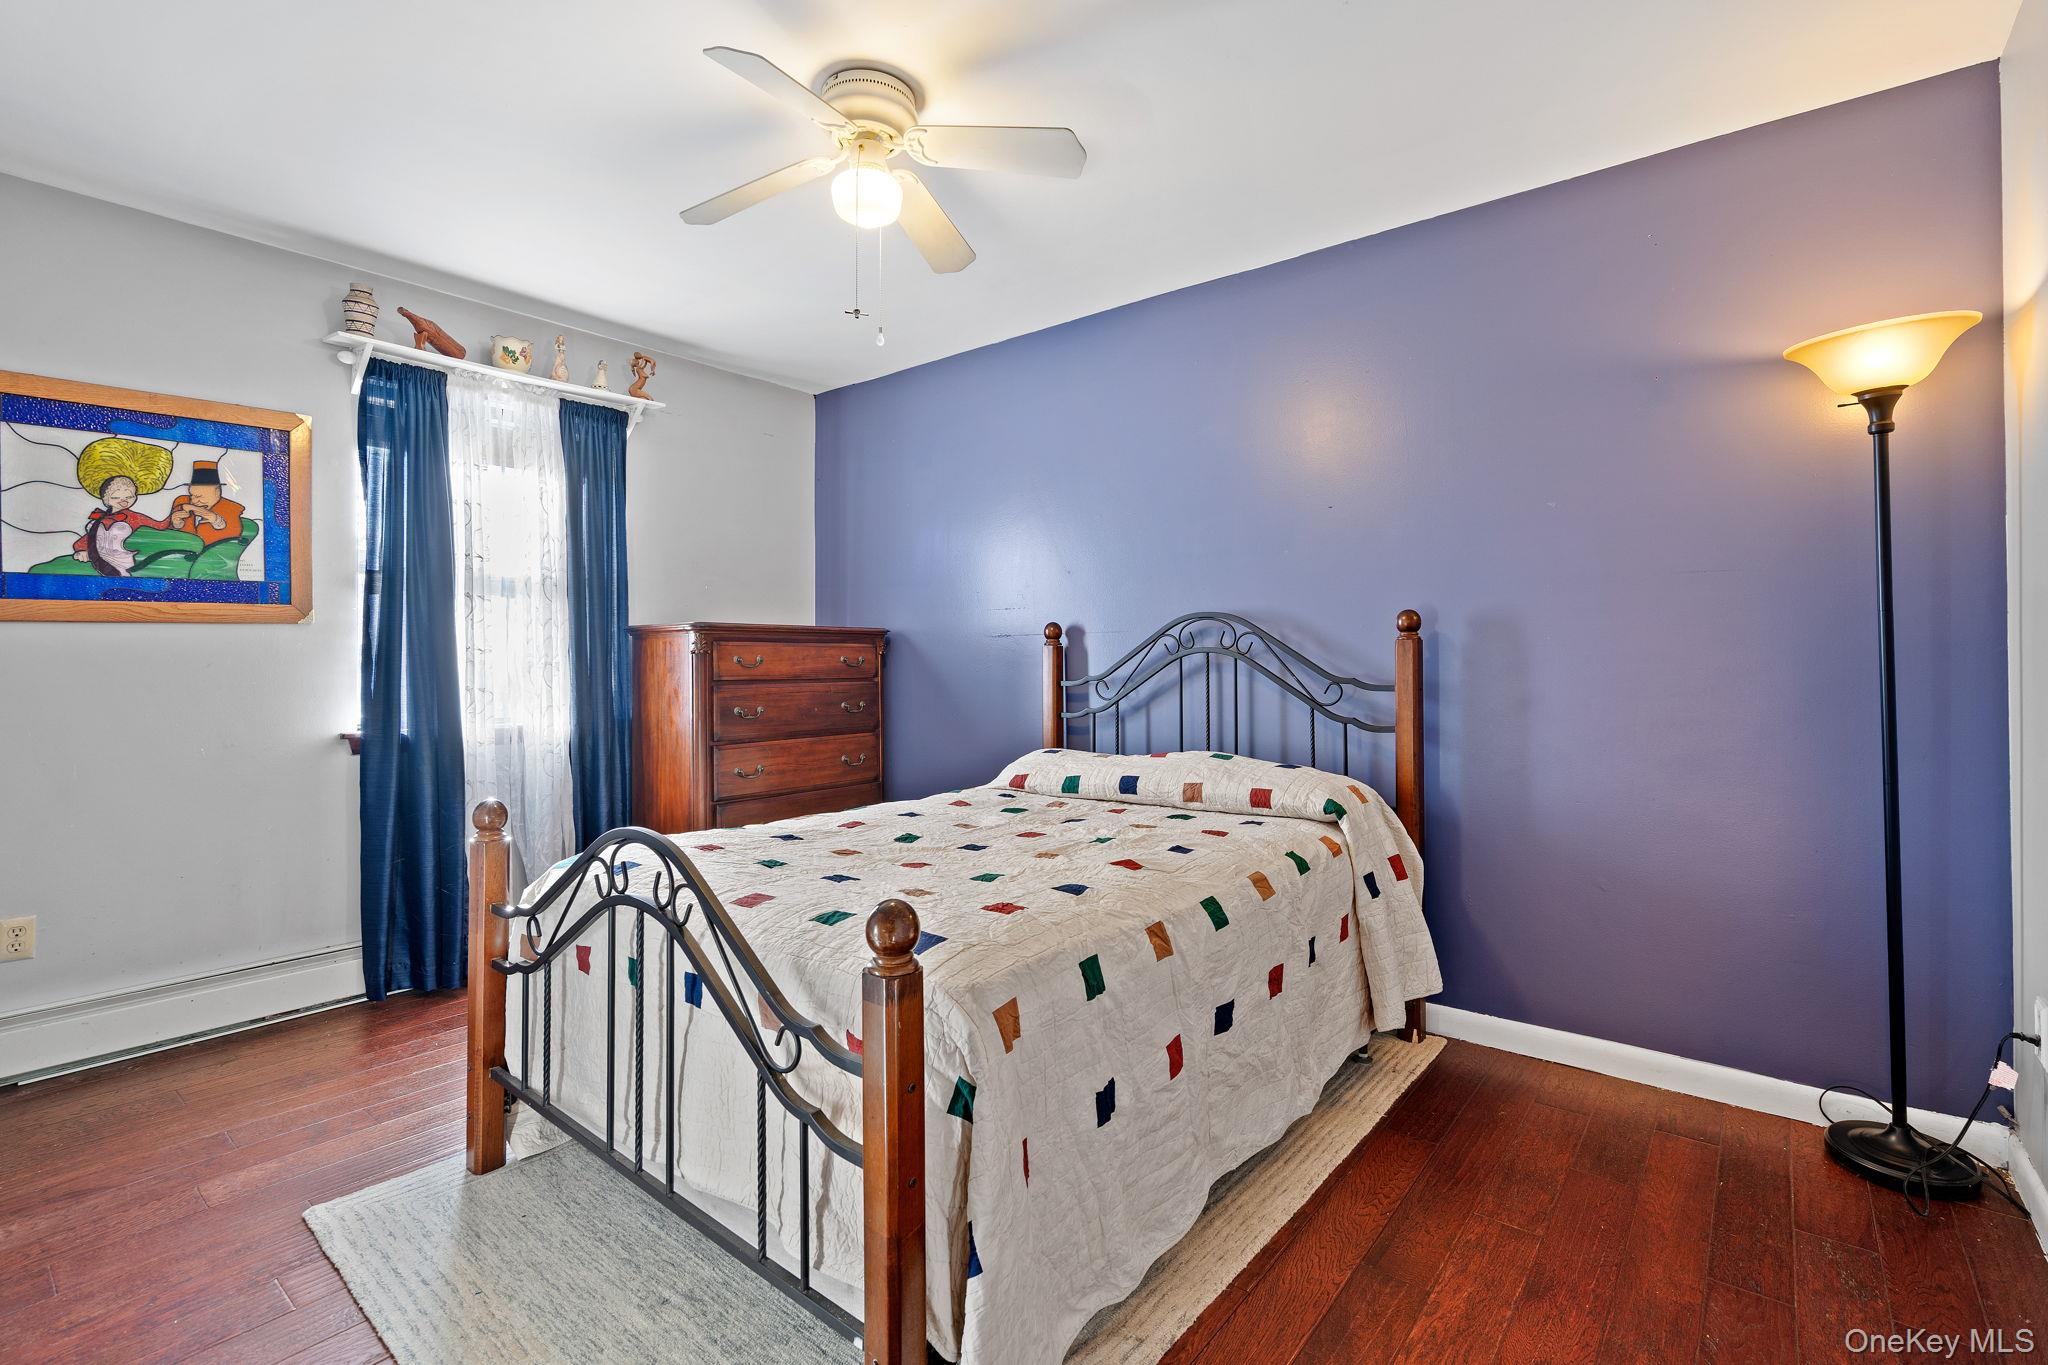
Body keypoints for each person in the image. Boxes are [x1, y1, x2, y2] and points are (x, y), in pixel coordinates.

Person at [165, 459, 245, 546]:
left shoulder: (231, 508)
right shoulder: (181, 502)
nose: (194, 501)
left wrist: (217, 522)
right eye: (192, 495)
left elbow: (233, 537)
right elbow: (168, 535)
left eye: (200, 497)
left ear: (217, 493)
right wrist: (176, 525)